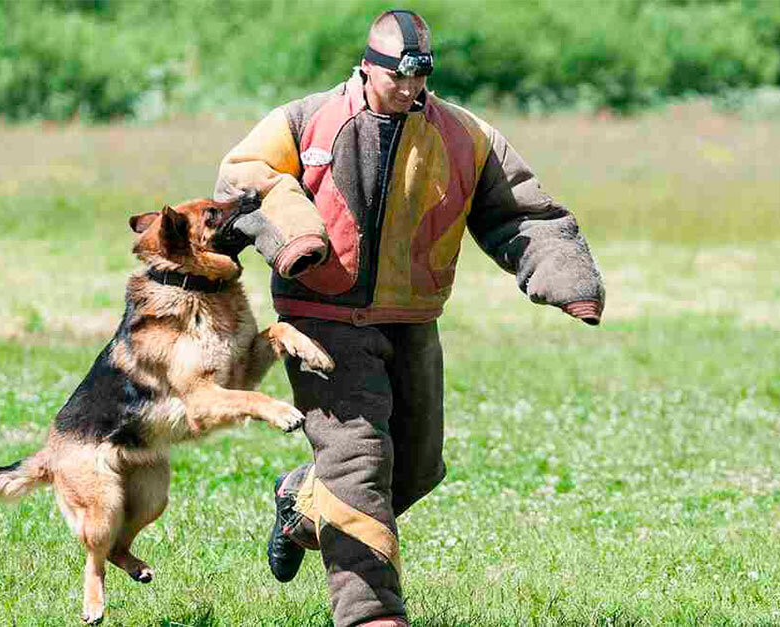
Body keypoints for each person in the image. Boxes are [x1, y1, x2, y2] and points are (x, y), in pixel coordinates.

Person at [212, 10, 604, 627]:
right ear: (370, 66)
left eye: (421, 78)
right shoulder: (304, 119)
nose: (410, 89)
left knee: (416, 465)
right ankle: (370, 613)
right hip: (321, 315)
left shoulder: (463, 135)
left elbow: (523, 212)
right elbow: (241, 180)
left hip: (412, 316)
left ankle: (302, 499)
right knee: (359, 460)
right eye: (398, 77)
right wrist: (289, 226)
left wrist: (565, 276)